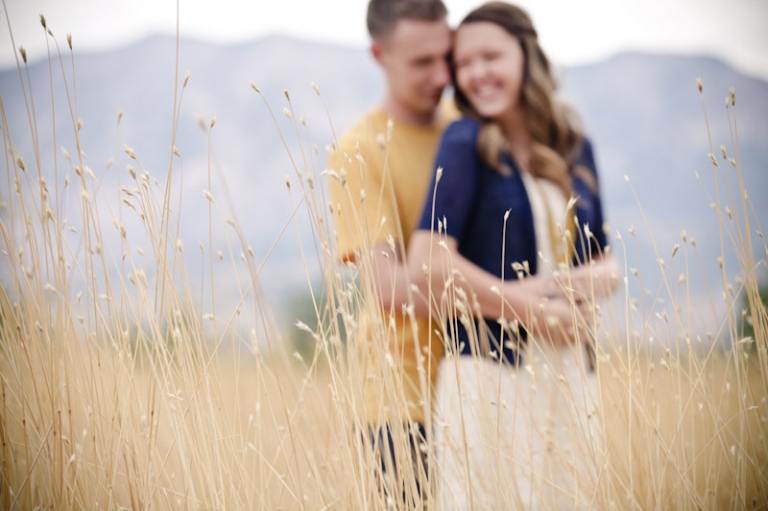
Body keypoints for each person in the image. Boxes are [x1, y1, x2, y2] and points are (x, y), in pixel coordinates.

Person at [406, 2, 621, 508]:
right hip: (489, 377)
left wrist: (573, 288)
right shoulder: (465, 141)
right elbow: (427, 264)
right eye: (464, 63)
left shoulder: (575, 147)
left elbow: (607, 263)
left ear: (526, 54)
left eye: (490, 57)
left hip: (571, 371)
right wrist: (533, 310)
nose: (476, 73)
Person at [325, 0, 454, 502]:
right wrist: (518, 302)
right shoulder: (359, 150)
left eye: (446, 56)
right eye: (422, 62)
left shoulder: (468, 129)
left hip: (484, 390)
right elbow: (389, 289)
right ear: (379, 55)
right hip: (401, 402)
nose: (442, 75)